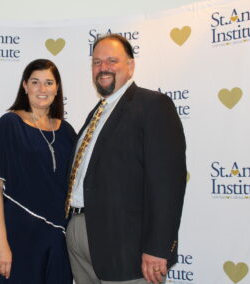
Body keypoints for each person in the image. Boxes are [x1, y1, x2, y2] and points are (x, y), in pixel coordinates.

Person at [65, 34, 187, 284]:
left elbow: (167, 182)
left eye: (112, 60)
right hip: (80, 234)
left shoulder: (153, 105)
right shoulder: (96, 114)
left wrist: (158, 247)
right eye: (97, 62)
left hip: (126, 247)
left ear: (130, 66)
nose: (103, 68)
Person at [0, 59, 75, 284]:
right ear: (25, 86)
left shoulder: (67, 131)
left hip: (60, 240)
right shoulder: (9, 124)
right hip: (21, 237)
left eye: (49, 82)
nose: (42, 89)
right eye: (35, 82)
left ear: (57, 88)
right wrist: (0, 244)